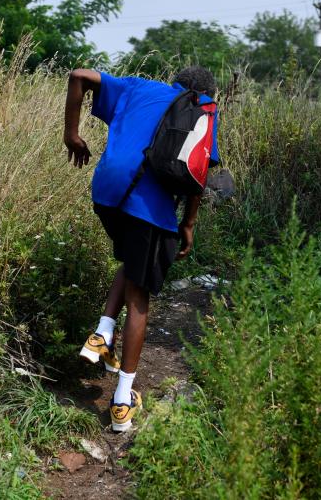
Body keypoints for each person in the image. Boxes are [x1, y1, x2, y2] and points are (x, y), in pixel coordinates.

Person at [63, 66, 220, 432]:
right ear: (207, 92)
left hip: (106, 191)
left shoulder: (139, 87)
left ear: (176, 82)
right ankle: (122, 401)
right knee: (139, 300)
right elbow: (198, 176)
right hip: (148, 208)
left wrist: (72, 134)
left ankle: (103, 332)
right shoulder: (204, 108)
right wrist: (189, 225)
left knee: (133, 262)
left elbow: (79, 75)